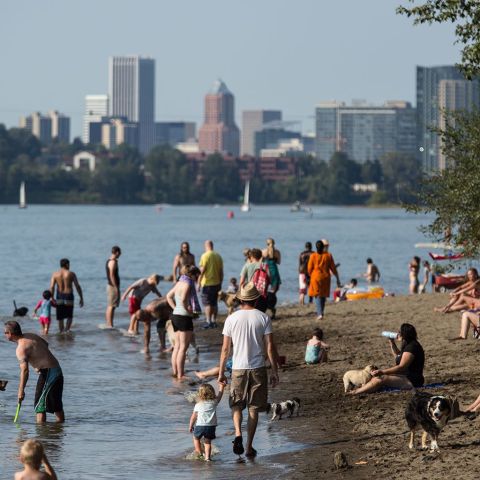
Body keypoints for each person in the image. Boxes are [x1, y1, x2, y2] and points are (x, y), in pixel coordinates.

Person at [218, 282, 279, 458]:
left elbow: (225, 350)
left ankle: (238, 433)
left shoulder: (231, 318)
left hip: (238, 368)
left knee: (236, 405)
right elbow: (270, 348)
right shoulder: (263, 318)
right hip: (258, 367)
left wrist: (221, 372)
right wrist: (275, 371)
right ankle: (249, 447)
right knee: (253, 408)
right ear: (256, 299)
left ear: (240, 299)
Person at [4, 321, 65, 423]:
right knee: (56, 405)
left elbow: (25, 371)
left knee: (39, 406)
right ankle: (59, 430)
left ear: (10, 333)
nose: (4, 335)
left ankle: (41, 434)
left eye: (5, 333)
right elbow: (45, 343)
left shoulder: (20, 349)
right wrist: (39, 362)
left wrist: (21, 390)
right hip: (56, 370)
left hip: (49, 373)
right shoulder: (30, 335)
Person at [349, 323, 424, 395]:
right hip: (405, 376)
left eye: (399, 332)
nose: (398, 333)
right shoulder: (408, 344)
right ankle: (364, 389)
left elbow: (401, 367)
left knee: (381, 378)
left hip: (412, 380)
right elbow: (398, 357)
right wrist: (392, 342)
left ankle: (356, 392)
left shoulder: (412, 347)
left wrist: (382, 372)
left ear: (404, 335)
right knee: (376, 376)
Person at [166, 265, 201, 380]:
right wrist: (188, 310)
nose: (197, 279)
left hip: (175, 315)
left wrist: (175, 307)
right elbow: (184, 299)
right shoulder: (188, 284)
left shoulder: (180, 282)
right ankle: (181, 375)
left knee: (176, 346)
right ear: (194, 274)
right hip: (184, 317)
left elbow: (168, 296)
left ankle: (176, 372)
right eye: (197, 276)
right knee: (183, 347)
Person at [189, 383, 225, 462]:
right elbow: (220, 395)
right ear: (212, 392)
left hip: (200, 426)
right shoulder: (213, 402)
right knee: (207, 441)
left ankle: (198, 451)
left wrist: (190, 426)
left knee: (196, 438)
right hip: (211, 426)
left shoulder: (198, 405)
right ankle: (207, 458)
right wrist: (221, 387)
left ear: (200, 394)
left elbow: (193, 416)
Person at [308, 240, 341, 320]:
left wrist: (311, 275)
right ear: (323, 247)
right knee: (323, 296)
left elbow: (309, 269)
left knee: (318, 296)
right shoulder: (328, 255)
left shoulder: (313, 256)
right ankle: (321, 312)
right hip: (326, 278)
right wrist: (337, 278)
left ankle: (320, 314)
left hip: (316, 277)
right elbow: (333, 268)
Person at [49, 258, 84, 333]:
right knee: (69, 316)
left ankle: (61, 332)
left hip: (59, 296)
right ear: (67, 264)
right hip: (69, 296)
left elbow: (52, 287)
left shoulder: (55, 274)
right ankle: (67, 330)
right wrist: (81, 297)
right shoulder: (71, 274)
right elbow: (77, 286)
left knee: (60, 317)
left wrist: (51, 297)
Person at [198, 240, 223, 328]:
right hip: (216, 283)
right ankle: (214, 320)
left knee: (207, 303)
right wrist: (220, 283)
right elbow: (221, 272)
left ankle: (208, 321)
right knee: (214, 303)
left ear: (205, 246)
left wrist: (198, 283)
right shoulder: (218, 256)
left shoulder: (205, 256)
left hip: (207, 283)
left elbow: (202, 271)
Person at [106, 246, 121, 328]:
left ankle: (109, 324)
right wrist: (115, 287)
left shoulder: (110, 261)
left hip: (110, 285)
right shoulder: (113, 262)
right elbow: (112, 275)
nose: (120, 255)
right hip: (112, 286)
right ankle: (110, 324)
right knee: (112, 306)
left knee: (111, 305)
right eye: (120, 253)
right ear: (117, 252)